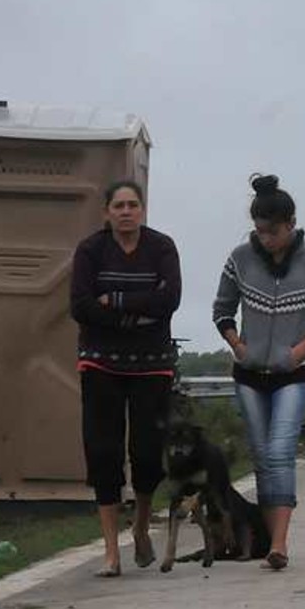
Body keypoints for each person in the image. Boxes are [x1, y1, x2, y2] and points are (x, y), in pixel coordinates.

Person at [212, 174, 305, 571]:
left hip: (293, 375)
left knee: (281, 450)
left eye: (272, 231)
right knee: (263, 456)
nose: (265, 238)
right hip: (249, 375)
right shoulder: (239, 259)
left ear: (290, 224)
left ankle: (280, 543)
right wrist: (238, 345)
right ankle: (269, 538)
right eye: (259, 231)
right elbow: (221, 309)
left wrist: (301, 350)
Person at [70, 179, 182, 577]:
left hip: (152, 362)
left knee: (148, 451)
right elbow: (81, 306)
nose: (126, 211)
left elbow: (170, 300)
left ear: (143, 210)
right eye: (118, 205)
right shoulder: (90, 250)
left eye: (133, 204)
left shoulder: (162, 247)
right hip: (100, 362)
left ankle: (140, 524)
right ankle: (111, 551)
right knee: (103, 451)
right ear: (106, 213)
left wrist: (114, 302)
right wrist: (140, 312)